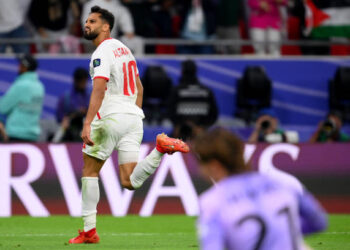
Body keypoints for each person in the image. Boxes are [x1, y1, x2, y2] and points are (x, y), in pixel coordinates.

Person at [68, 6, 189, 244]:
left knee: (90, 172)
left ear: (106, 27)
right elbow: (139, 88)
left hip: (111, 116)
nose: (87, 24)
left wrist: (88, 122)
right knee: (129, 181)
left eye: (92, 21)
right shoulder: (125, 50)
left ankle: (89, 231)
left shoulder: (101, 52)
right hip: (133, 117)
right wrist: (133, 113)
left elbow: (100, 88)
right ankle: (160, 149)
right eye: (87, 21)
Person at [194, 128, 328, 250]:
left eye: (201, 164)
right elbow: (319, 222)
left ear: (214, 166)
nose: (200, 171)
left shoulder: (213, 202)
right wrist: (281, 234)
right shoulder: (283, 183)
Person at [168, 59, 218, 141]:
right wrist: (202, 127)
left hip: (181, 133)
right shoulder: (207, 91)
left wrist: (178, 125)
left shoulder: (176, 91)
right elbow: (214, 114)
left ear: (182, 71)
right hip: (200, 133)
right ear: (195, 71)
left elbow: (169, 111)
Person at [0, 54, 44, 142]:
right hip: (33, 135)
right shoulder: (40, 86)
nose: (18, 67)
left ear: (25, 67)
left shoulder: (20, 85)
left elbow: (2, 108)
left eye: (20, 65)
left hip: (16, 134)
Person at [54, 67, 90, 142]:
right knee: (59, 133)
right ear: (76, 81)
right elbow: (59, 116)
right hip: (68, 132)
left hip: (86, 130)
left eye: (85, 81)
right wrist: (66, 118)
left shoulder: (90, 97)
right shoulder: (66, 97)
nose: (84, 84)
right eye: (82, 81)